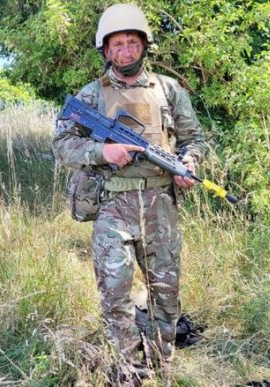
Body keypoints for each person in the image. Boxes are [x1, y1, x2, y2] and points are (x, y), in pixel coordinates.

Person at [52, 3, 207, 381]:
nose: (125, 50)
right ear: (106, 50)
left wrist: (189, 164)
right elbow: (61, 144)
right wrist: (101, 151)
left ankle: (161, 365)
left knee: (166, 294)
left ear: (144, 46)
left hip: (160, 207)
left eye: (132, 43)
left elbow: (194, 139)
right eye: (117, 44)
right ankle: (128, 371)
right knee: (116, 296)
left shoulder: (169, 91)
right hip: (113, 207)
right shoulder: (90, 96)